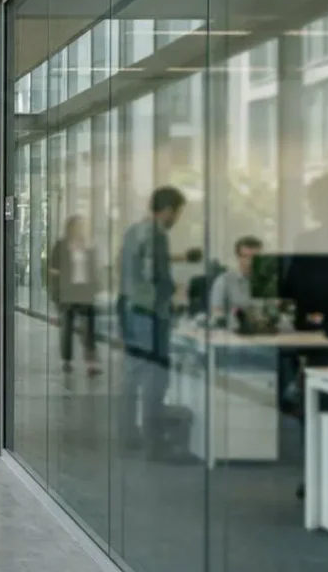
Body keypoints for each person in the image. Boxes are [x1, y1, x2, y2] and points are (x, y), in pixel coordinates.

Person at [118, 186, 191, 458]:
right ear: (169, 210)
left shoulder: (132, 232)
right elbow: (152, 276)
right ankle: (154, 443)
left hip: (130, 309)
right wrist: (174, 291)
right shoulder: (156, 235)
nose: (177, 219)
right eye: (178, 212)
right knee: (155, 379)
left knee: (132, 375)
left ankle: (128, 435)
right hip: (149, 313)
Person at [48, 215, 99, 376]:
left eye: (83, 226)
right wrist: (56, 295)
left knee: (89, 330)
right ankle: (67, 360)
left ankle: (91, 362)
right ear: (70, 228)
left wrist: (95, 287)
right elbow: (53, 271)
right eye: (78, 226)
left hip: (84, 292)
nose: (81, 229)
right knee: (68, 329)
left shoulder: (87, 245)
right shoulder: (61, 246)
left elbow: (93, 269)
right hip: (68, 293)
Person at [210, 236, 263, 330]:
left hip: (265, 334)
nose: (250, 261)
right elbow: (217, 314)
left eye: (255, 257)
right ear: (238, 257)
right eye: (246, 256)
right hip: (234, 335)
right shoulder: (224, 281)